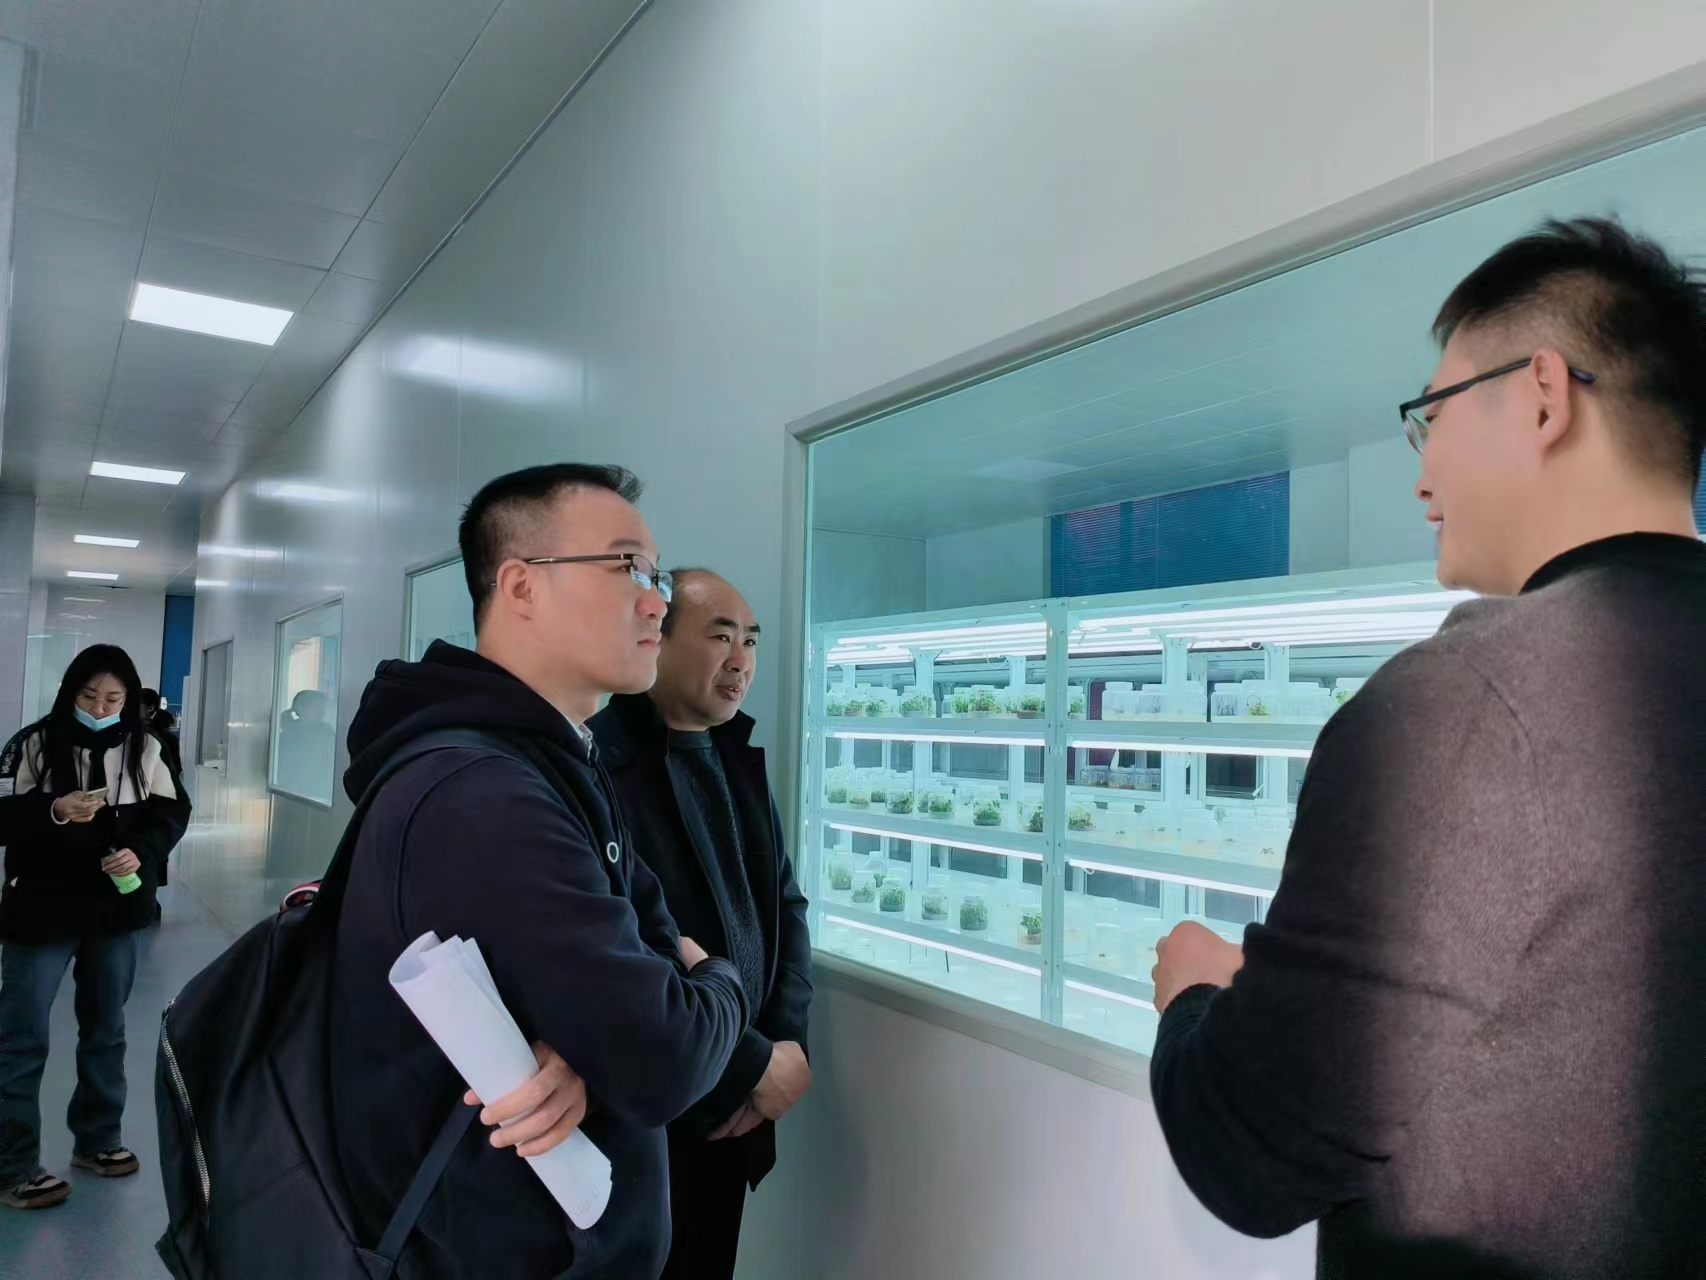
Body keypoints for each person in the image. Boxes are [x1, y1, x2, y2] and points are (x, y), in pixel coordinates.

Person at [1148, 217, 1706, 1278]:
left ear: (1541, 395)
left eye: (1429, 417)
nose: (1420, 476)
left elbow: (1252, 1153)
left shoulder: (1461, 702)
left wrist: (1195, 998)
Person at [328, 463, 748, 1279]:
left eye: (657, 575)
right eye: (628, 567)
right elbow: (662, 1055)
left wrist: (597, 1050)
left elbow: (643, 979)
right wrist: (722, 979)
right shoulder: (483, 793)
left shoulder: (556, 764)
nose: (657, 602)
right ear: (521, 586)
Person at [591, 569, 813, 1280]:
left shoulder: (737, 757)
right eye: (721, 637)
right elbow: (623, 948)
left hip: (740, 1109)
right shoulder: (599, 763)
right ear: (658, 638)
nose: (741, 660)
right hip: (656, 1105)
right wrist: (749, 1065)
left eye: (751, 641)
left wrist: (786, 1043)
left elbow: (784, 906)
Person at [0, 645, 191, 1210]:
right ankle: (13, 1166)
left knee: (106, 1029)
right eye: (90, 697)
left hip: (114, 912)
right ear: (70, 693)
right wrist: (54, 810)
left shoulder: (147, 746)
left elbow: (171, 812)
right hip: (41, 908)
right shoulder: (32, 743)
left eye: (113, 698)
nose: (101, 708)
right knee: (22, 1036)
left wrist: (142, 851)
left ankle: (98, 1140)